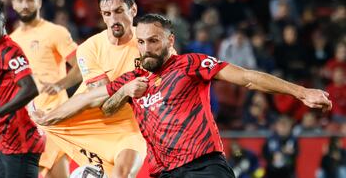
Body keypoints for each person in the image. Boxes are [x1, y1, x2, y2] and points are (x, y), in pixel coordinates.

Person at [34, 14, 332, 178]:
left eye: (153, 40)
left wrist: (300, 91)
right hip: (163, 173)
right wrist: (48, 118)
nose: (146, 47)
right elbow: (94, 100)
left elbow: (247, 78)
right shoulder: (133, 80)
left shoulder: (190, 64)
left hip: (204, 166)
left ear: (169, 40)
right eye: (141, 42)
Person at [32, 0, 147, 178]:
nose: (113, 19)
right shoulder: (90, 47)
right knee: (48, 164)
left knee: (123, 175)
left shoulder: (149, 44)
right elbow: (101, 100)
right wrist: (126, 90)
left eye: (119, 11)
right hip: (85, 122)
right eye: (107, 13)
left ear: (133, 9)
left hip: (129, 127)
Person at [10, 0, 81, 178]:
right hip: (26, 121)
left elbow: (81, 66)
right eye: (21, 0)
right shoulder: (11, 41)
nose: (25, 5)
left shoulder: (55, 32)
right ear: (14, 4)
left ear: (39, 2)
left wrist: (60, 84)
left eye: (30, 0)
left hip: (54, 117)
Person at [0, 0, 45, 178]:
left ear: (3, 22)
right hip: (8, 144)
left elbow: (30, 88)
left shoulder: (9, 50)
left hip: (23, 144)